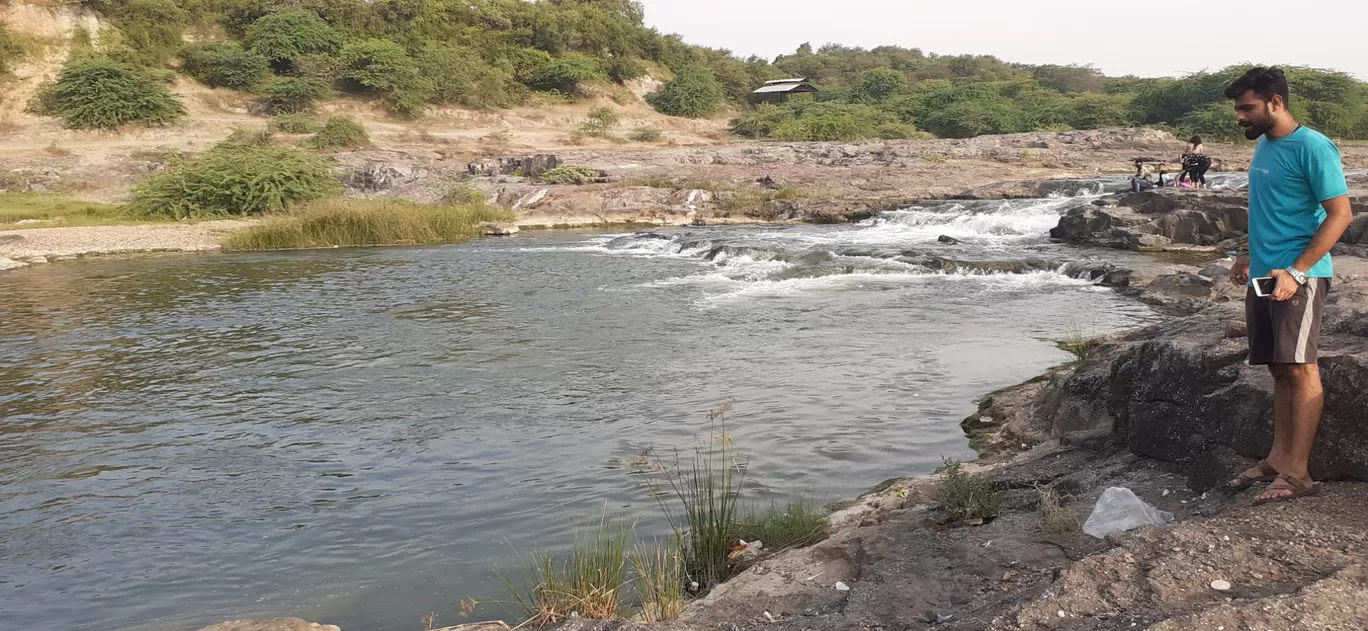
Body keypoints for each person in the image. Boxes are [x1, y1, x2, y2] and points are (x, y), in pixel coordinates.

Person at [1225, 67, 1353, 504]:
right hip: (1263, 272)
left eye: (1247, 107)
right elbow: (1266, 207)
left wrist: (1296, 272)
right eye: (1239, 108)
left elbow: (1340, 215)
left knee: (1301, 369)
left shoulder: (1314, 147)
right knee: (1279, 368)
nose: (1240, 116)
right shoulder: (1264, 142)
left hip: (1297, 278)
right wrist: (1246, 251)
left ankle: (1299, 473)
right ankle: (1278, 459)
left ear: (1275, 103)